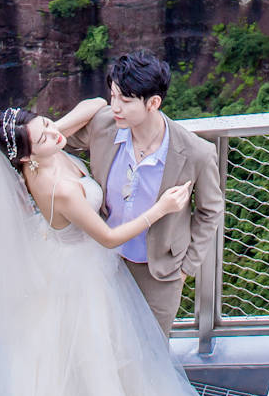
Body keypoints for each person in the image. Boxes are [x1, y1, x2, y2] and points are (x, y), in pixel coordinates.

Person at [0, 106, 219, 396]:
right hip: (82, 273)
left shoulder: (41, 155)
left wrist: (48, 132)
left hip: (70, 257)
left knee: (106, 360)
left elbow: (94, 104)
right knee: (98, 363)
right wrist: (162, 208)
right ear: (25, 158)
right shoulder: (58, 189)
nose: (54, 134)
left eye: (46, 122)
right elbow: (108, 238)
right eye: (43, 137)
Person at [57, 52, 225, 335]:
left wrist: (186, 268)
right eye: (112, 96)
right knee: (102, 343)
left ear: (153, 103)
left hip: (158, 271)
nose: (115, 107)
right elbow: (56, 142)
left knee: (150, 353)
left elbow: (210, 210)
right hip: (103, 259)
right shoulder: (104, 125)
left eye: (125, 100)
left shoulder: (196, 152)